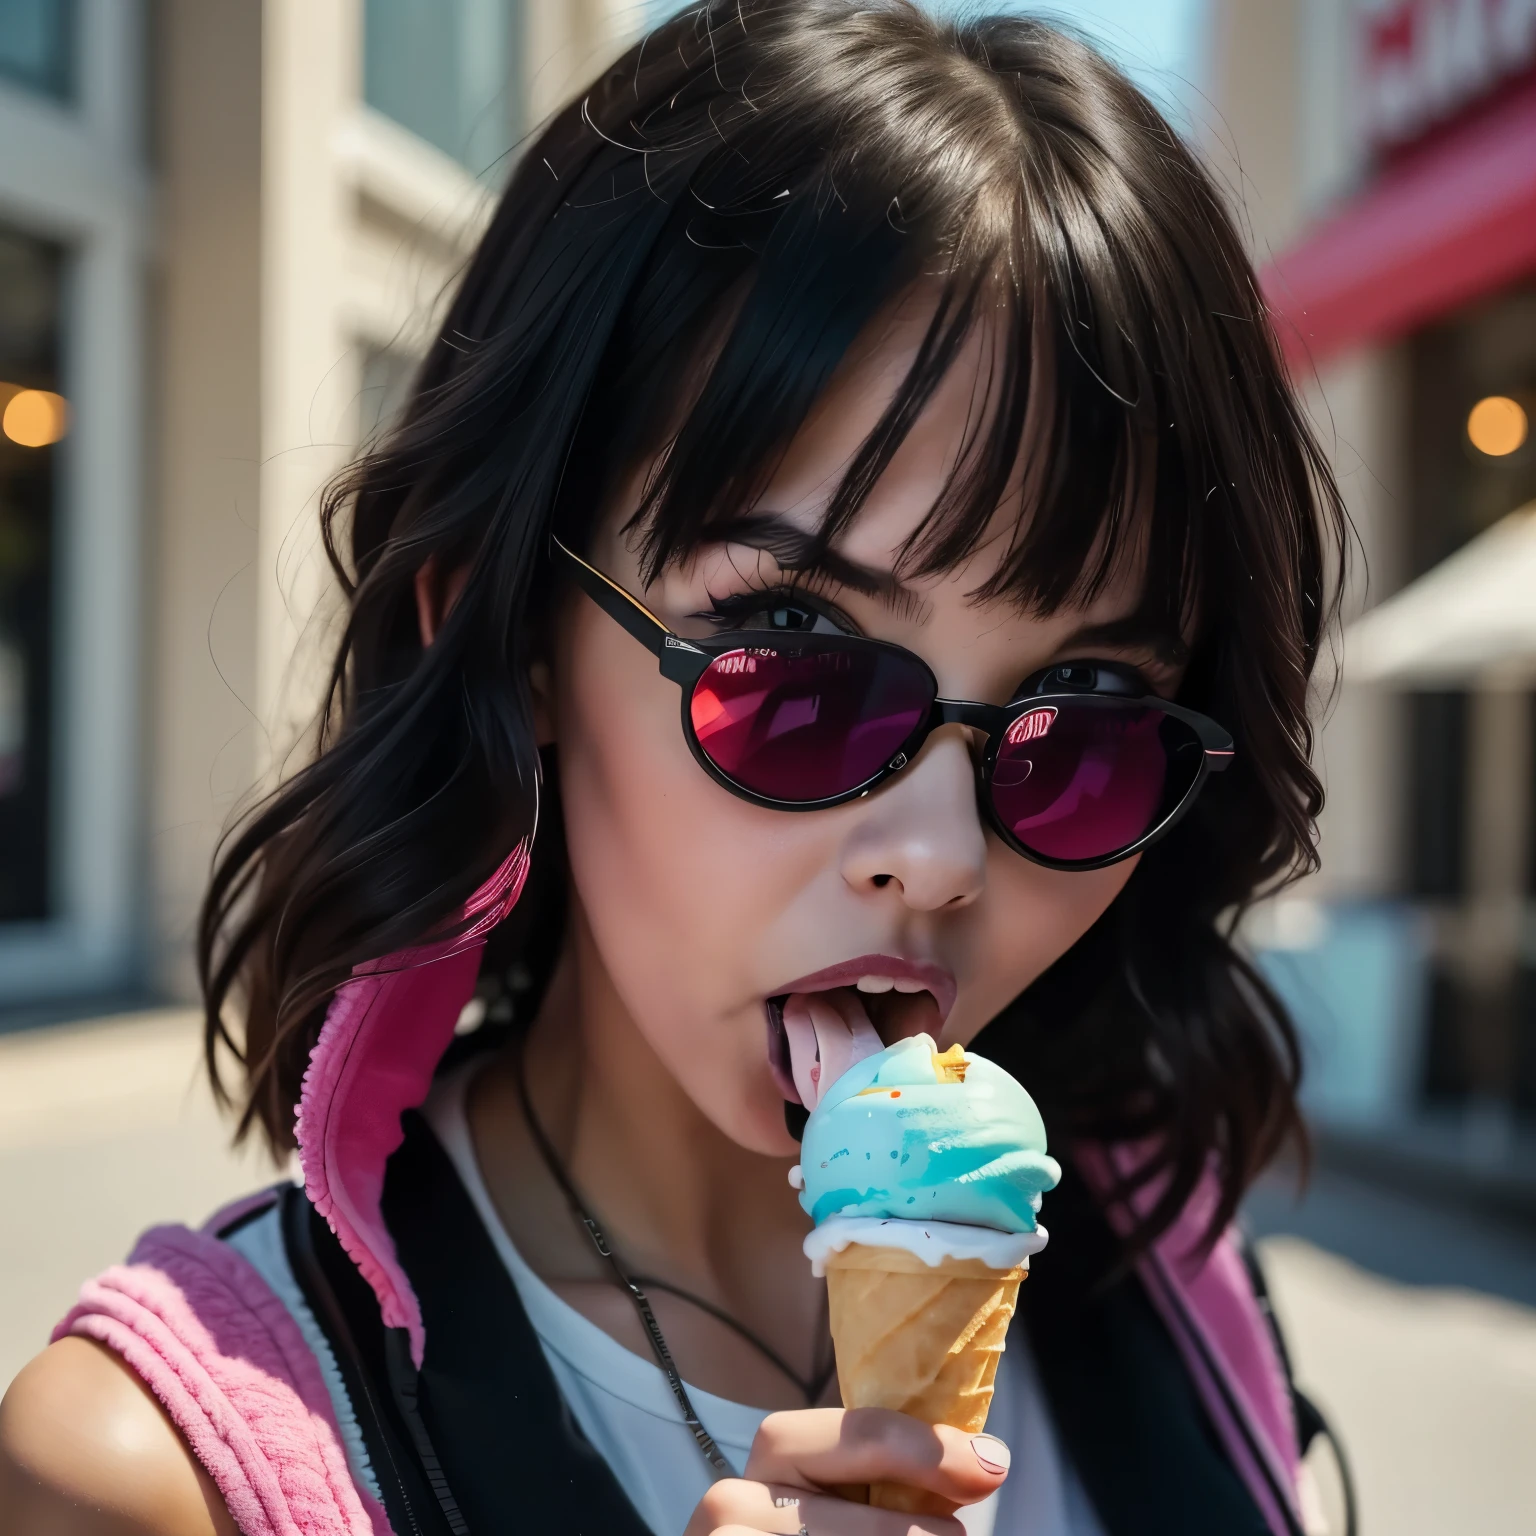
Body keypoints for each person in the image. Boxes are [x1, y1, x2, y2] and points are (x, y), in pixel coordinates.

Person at [0, 4, 1349, 1533]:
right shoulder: (154, 1473)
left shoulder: (1171, 1279)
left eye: (1089, 713)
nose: (942, 850)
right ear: (515, 642)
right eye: (796, 662)